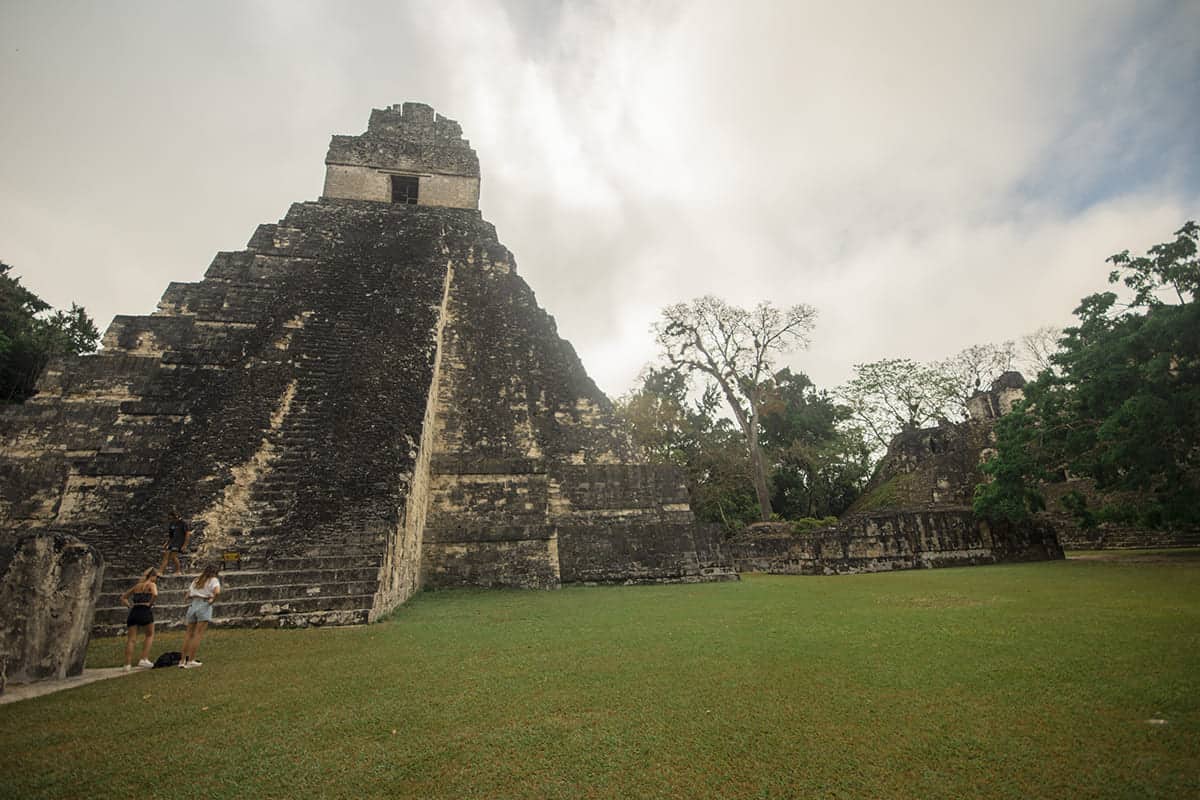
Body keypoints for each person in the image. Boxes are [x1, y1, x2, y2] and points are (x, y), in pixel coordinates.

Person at [180, 563, 221, 669]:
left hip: (193, 604)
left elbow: (187, 595)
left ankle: (182, 660)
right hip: (204, 604)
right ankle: (191, 660)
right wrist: (212, 600)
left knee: (189, 634)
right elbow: (217, 592)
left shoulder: (197, 580)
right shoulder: (213, 580)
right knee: (198, 635)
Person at [119, 567, 159, 671]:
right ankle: (144, 658)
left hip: (134, 611)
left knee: (131, 639)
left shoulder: (137, 586)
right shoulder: (151, 584)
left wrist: (129, 606)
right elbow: (155, 594)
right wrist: (151, 603)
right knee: (149, 635)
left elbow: (123, 597)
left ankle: (127, 664)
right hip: (145, 610)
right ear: (152, 576)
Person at [159, 510, 191, 575]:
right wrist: (166, 543)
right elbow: (170, 535)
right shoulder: (171, 524)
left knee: (173, 556)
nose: (171, 520)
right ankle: (160, 571)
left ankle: (178, 571)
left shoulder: (183, 523)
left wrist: (184, 545)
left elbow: (187, 534)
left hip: (179, 543)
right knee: (166, 555)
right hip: (172, 542)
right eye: (169, 518)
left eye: (172, 518)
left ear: (176, 517)